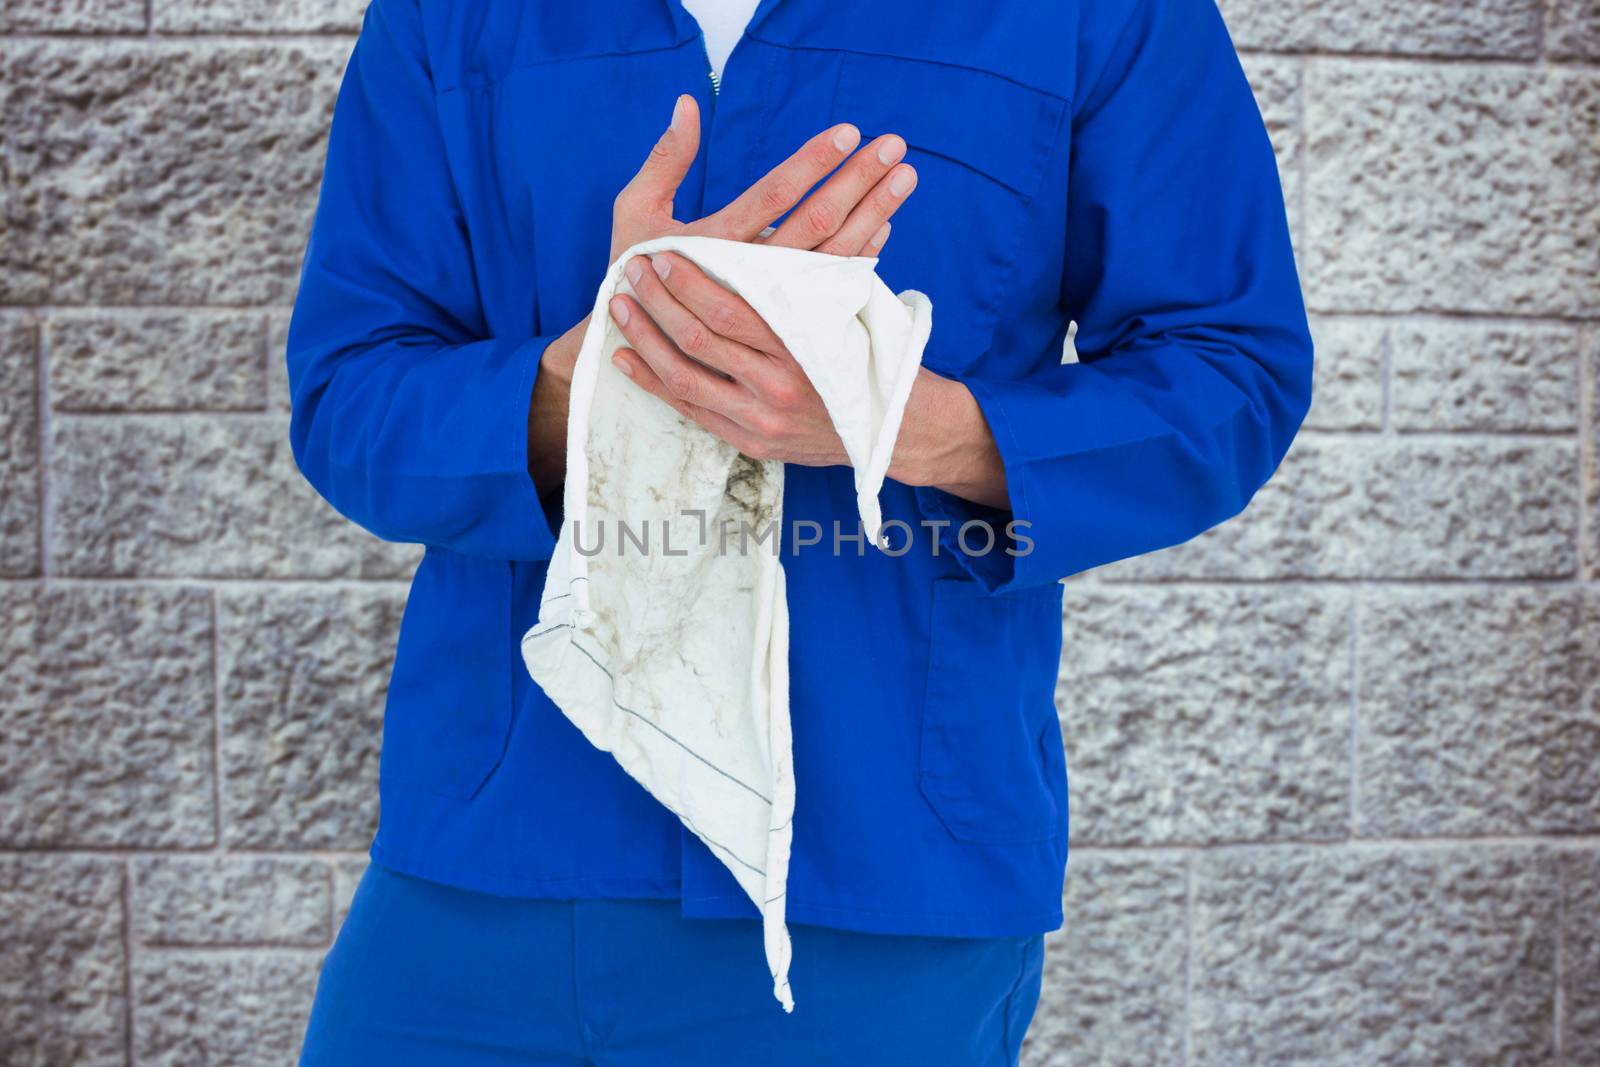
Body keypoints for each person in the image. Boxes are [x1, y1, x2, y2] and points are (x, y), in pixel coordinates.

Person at [285, 0, 1313, 1062]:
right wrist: (602, 368)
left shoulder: (1099, 14)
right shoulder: (447, 13)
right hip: (489, 865)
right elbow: (349, 397)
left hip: (876, 885)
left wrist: (899, 422)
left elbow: (1231, 372)